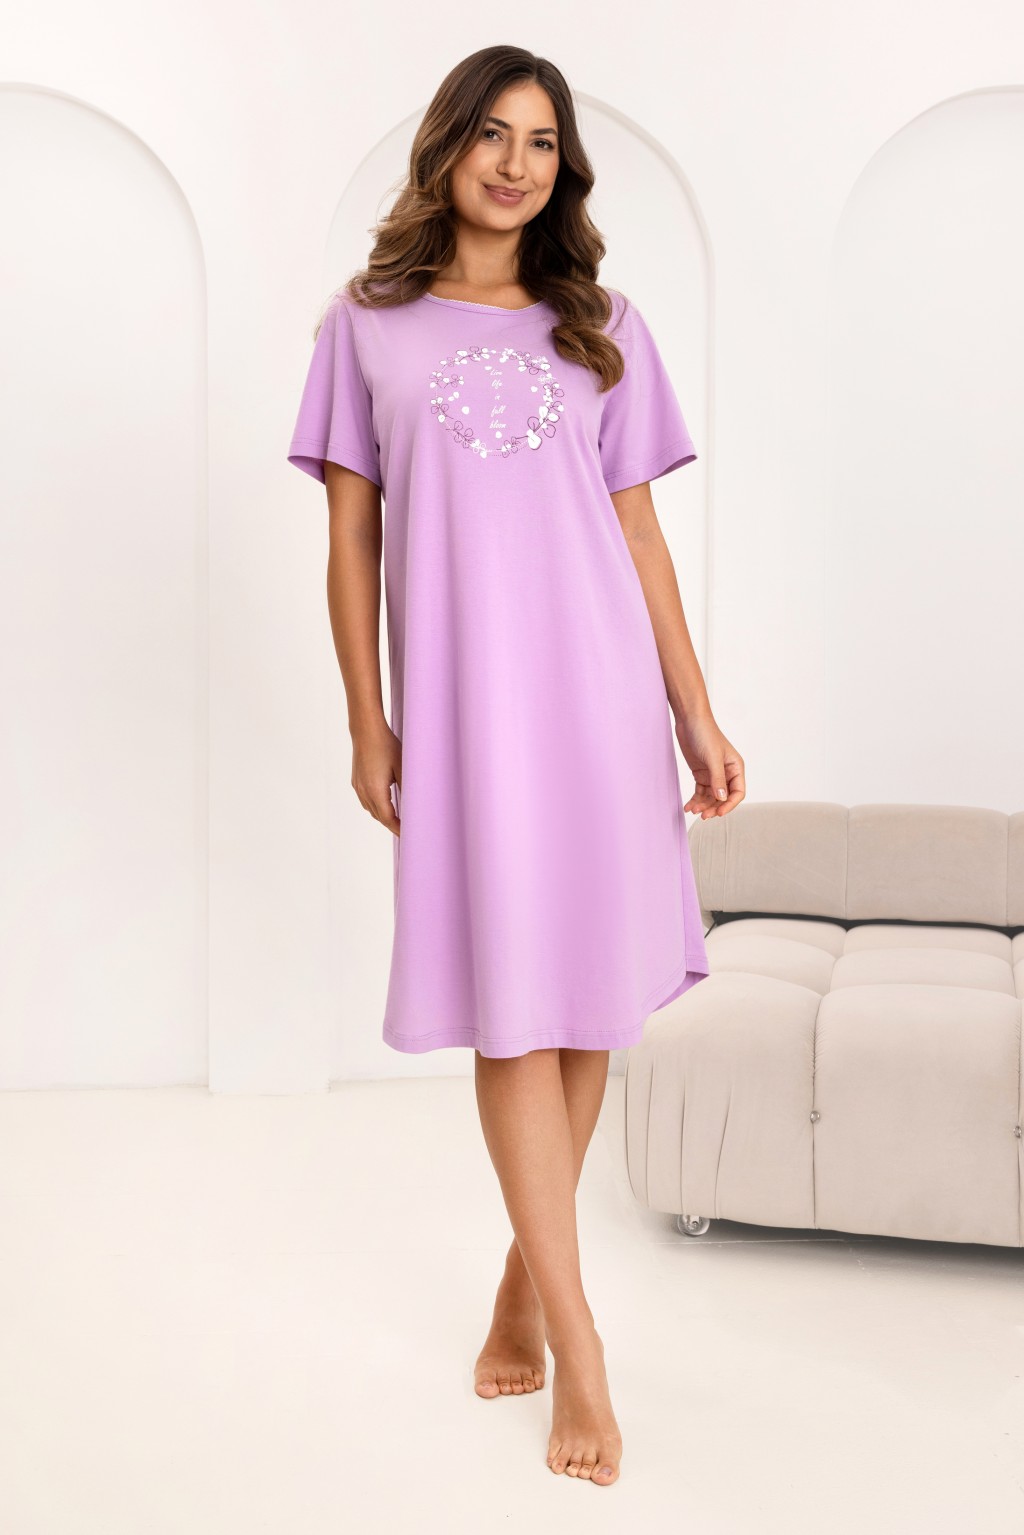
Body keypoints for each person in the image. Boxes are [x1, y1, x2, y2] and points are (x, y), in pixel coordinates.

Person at [286, 44, 745, 1487]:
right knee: (513, 1016)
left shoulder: (603, 325)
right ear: (447, 147)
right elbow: (351, 542)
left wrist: (694, 714)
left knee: (586, 1000)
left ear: (564, 169)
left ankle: (524, 1288)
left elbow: (640, 538)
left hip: (602, 704)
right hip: (469, 720)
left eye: (542, 142)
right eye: (493, 134)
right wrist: (368, 722)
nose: (515, 163)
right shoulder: (366, 328)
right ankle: (582, 1340)